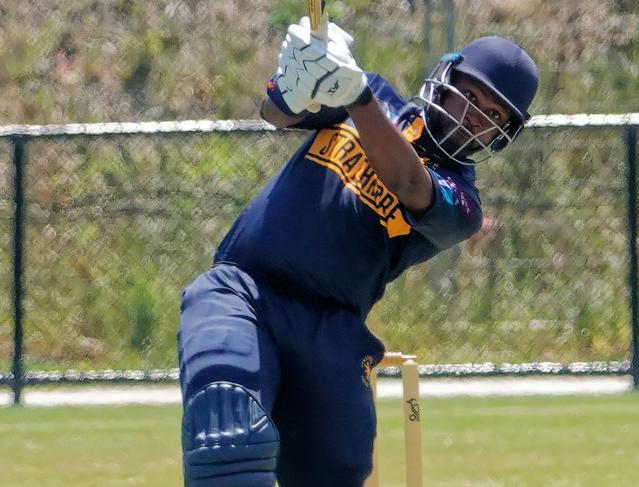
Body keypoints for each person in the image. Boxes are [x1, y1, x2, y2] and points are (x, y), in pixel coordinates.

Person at [177, 15, 538, 487]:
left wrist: (355, 96)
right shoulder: (372, 94)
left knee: (335, 473)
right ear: (444, 81)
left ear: (503, 135)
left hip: (331, 332)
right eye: (470, 97)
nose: (474, 117)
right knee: (227, 431)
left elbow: (409, 182)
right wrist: (295, 80)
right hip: (244, 290)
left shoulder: (462, 202)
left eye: (493, 115)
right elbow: (276, 114)